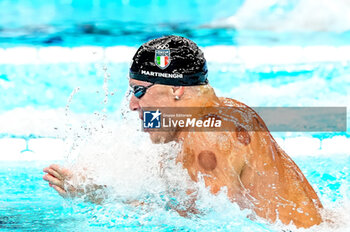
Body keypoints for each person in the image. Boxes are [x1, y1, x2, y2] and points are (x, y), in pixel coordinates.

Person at [43, 35, 323, 228]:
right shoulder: (226, 111)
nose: (131, 104)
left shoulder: (205, 135)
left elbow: (208, 223)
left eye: (139, 91)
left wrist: (96, 194)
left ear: (176, 89)